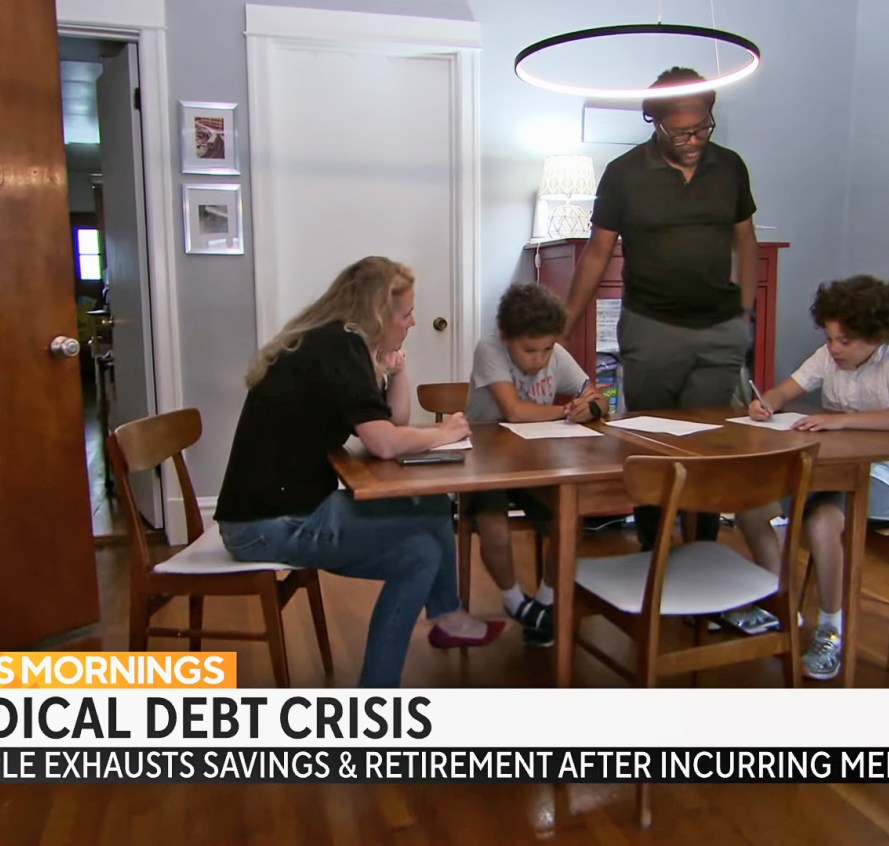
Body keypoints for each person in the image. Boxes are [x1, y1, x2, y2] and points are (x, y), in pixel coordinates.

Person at [214, 256, 504, 688]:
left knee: (430, 503)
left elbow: (394, 420)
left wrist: (396, 367)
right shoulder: (338, 346)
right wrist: (444, 433)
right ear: (378, 312)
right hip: (269, 523)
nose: (413, 321)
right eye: (405, 313)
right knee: (420, 554)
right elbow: (384, 442)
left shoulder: (333, 341)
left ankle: (446, 615)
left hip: (284, 506)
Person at [563, 66, 758, 549]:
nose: (693, 139)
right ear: (654, 121)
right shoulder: (625, 174)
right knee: (649, 444)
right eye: (681, 131)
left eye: (702, 127)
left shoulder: (730, 166)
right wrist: (565, 324)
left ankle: (702, 555)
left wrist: (744, 314)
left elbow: (746, 241)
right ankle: (653, 552)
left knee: (708, 449)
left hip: (719, 331)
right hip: (652, 330)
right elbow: (597, 253)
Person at [731, 275, 889, 680]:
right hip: (828, 471)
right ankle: (775, 601)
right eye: (831, 337)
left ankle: (830, 627)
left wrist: (841, 422)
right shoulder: (828, 356)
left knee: (823, 523)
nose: (835, 348)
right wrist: (764, 402)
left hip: (883, 476)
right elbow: (786, 390)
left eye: (845, 341)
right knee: (750, 503)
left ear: (874, 336)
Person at [465, 284, 607, 646]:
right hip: (487, 463)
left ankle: (544, 604)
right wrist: (566, 411)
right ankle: (514, 601)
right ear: (506, 338)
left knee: (567, 519)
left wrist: (591, 407)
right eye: (529, 350)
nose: (540, 359)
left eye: (547, 348)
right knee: (494, 529)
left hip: (537, 464)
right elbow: (515, 412)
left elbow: (598, 397)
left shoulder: (554, 353)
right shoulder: (489, 349)